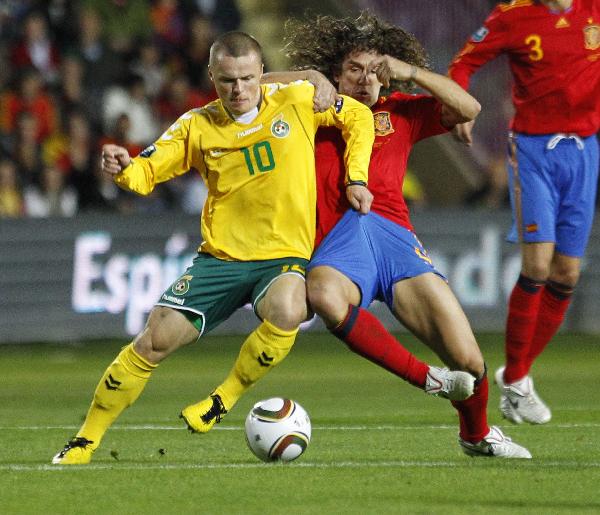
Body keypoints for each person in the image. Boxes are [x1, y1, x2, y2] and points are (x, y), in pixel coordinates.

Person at [52, 31, 374, 465]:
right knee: (154, 339)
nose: (238, 89)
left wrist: (356, 177)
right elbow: (148, 170)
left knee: (289, 307)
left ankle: (223, 398)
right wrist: (125, 168)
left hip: (281, 257)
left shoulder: (297, 100)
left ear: (262, 72)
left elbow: (358, 117)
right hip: (220, 259)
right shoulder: (196, 126)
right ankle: (84, 441)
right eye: (227, 81)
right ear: (211, 77)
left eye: (246, 78)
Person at [265, 11, 531, 458]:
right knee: (326, 296)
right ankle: (424, 377)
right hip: (340, 241)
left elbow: (469, 108)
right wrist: (307, 77)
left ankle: (476, 434)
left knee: (469, 360)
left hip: (394, 238)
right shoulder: (307, 112)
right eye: (354, 70)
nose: (366, 80)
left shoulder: (400, 112)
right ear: (335, 74)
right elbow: (249, 85)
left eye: (375, 70)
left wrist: (410, 73)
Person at [448, 0, 600, 425]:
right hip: (535, 151)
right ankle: (516, 382)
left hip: (585, 151)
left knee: (567, 272)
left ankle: (515, 378)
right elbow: (463, 63)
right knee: (537, 265)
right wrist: (459, 103)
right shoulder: (512, 16)